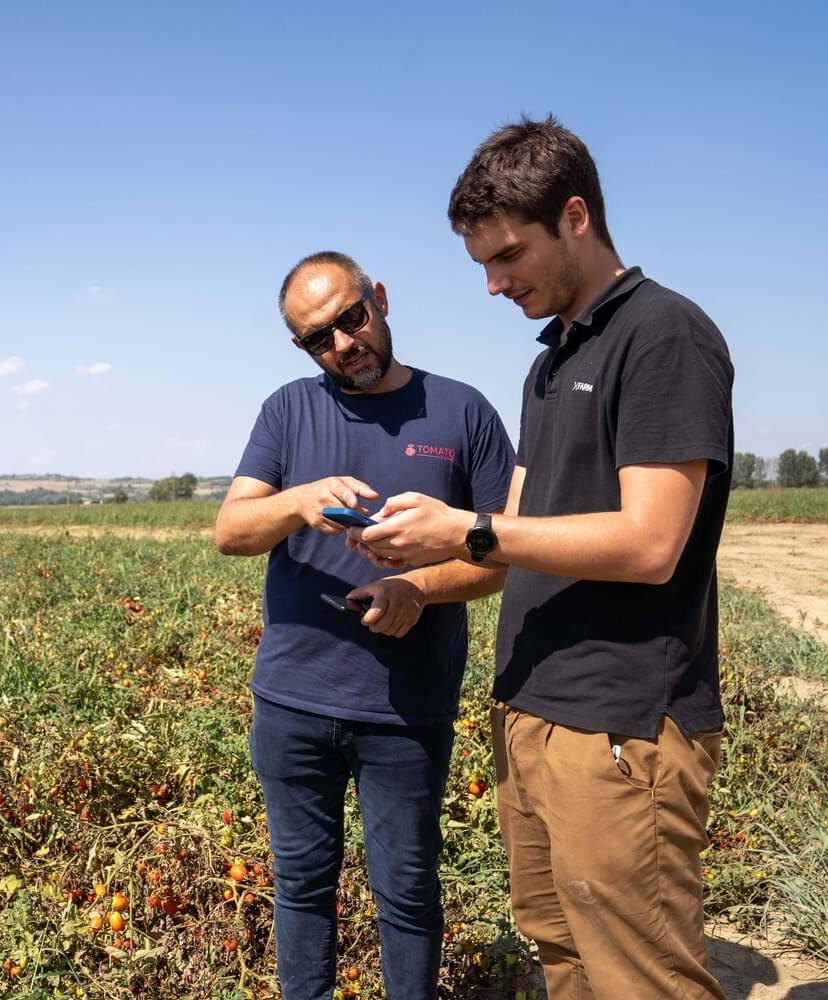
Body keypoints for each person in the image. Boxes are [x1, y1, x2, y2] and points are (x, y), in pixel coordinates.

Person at [351, 117, 734, 999]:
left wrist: (472, 530)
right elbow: (515, 528)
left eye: (508, 256)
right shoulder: (552, 360)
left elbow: (651, 542)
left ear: (575, 217)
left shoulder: (664, 336)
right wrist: (419, 557)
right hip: (533, 710)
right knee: (563, 957)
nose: (493, 285)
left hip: (620, 725)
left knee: (640, 978)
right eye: (482, 264)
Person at [214, 251, 515, 999]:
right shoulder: (289, 409)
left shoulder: (464, 411)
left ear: (379, 299)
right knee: (302, 889)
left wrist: (416, 586)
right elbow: (230, 530)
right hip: (291, 703)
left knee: (408, 893)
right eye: (320, 337)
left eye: (352, 318)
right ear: (302, 348)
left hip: (406, 709)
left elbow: (505, 555)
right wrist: (297, 500)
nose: (344, 343)